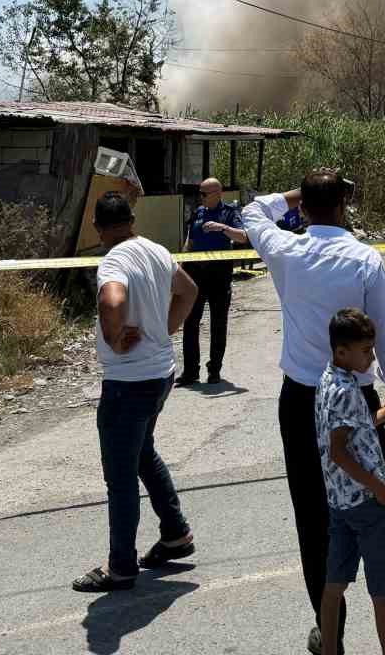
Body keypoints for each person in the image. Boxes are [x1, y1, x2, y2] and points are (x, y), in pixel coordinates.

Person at [241, 172, 385, 655]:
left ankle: (331, 634)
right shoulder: (364, 258)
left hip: (304, 399)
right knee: (380, 508)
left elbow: (252, 211)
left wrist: (292, 196)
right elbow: (383, 328)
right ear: (343, 208)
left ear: (304, 209)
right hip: (358, 400)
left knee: (313, 515)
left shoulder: (285, 250)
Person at [75, 190, 200, 591]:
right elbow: (189, 290)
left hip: (128, 382)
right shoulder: (157, 250)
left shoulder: (114, 259)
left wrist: (112, 337)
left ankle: (121, 567)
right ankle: (175, 533)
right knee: (142, 452)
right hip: (160, 373)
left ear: (97, 227)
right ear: (131, 219)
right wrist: (166, 329)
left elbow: (113, 299)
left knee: (121, 476)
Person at [317, 308, 385, 655]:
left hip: (340, 502)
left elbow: (350, 430)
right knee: (382, 594)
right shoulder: (346, 391)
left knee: (334, 585)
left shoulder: (329, 380)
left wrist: (380, 416)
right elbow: (339, 452)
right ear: (342, 352)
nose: (371, 357)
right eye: (366, 351)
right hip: (368, 505)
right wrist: (380, 489)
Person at [179, 178, 245, 385]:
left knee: (218, 322)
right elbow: (189, 241)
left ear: (218, 193)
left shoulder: (230, 213)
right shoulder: (198, 213)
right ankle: (190, 371)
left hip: (219, 273)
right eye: (200, 193)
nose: (201, 197)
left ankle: (214, 370)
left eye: (204, 194)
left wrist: (221, 227)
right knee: (190, 322)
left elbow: (243, 236)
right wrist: (180, 266)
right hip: (195, 272)